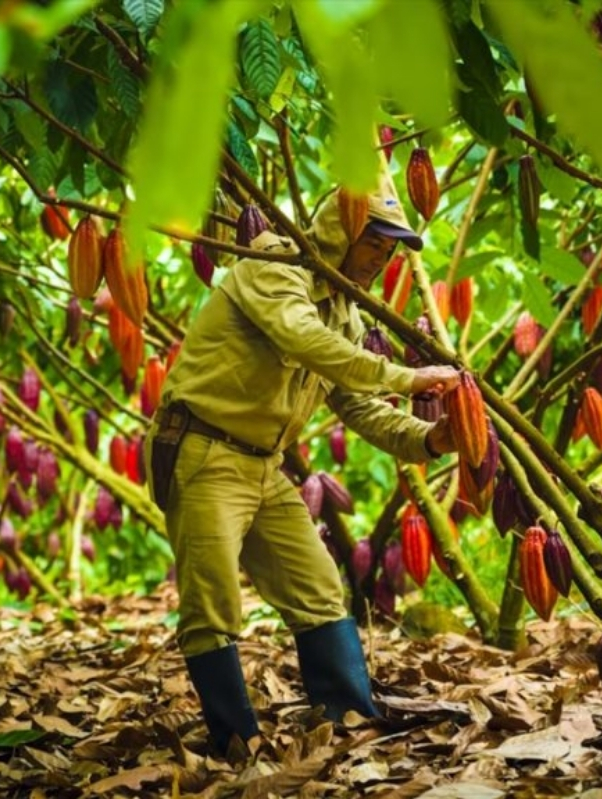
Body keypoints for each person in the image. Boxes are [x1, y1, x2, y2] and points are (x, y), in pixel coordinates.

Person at [144, 165, 460, 758]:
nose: (380, 259)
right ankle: (237, 744)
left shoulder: (345, 313)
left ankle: (348, 724)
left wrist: (431, 441)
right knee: (213, 605)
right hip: (203, 449)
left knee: (317, 589)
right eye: (374, 240)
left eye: (391, 250)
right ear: (340, 229)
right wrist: (407, 373)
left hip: (264, 464)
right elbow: (302, 339)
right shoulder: (275, 264)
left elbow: (359, 404)